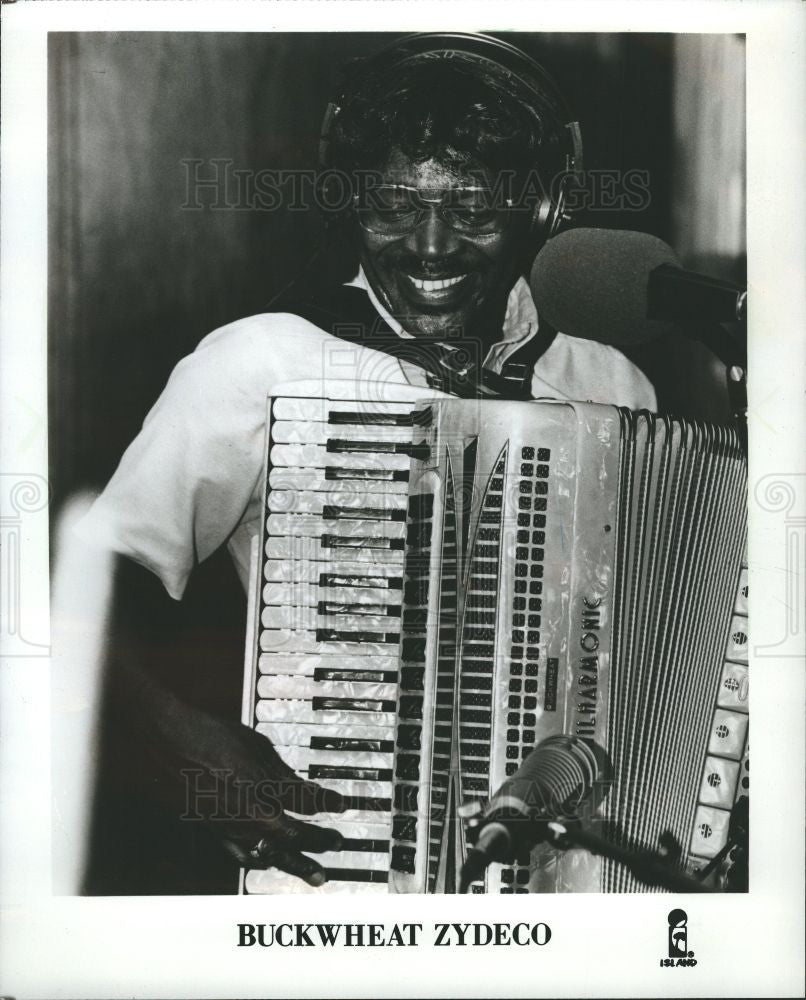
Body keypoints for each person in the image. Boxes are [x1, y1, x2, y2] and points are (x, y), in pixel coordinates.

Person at [78, 33, 656, 892]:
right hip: (340, 882)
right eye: (393, 204)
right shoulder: (261, 365)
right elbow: (76, 591)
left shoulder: (612, 383)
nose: (430, 245)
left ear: (540, 209)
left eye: (474, 206)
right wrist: (185, 747)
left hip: (577, 884)